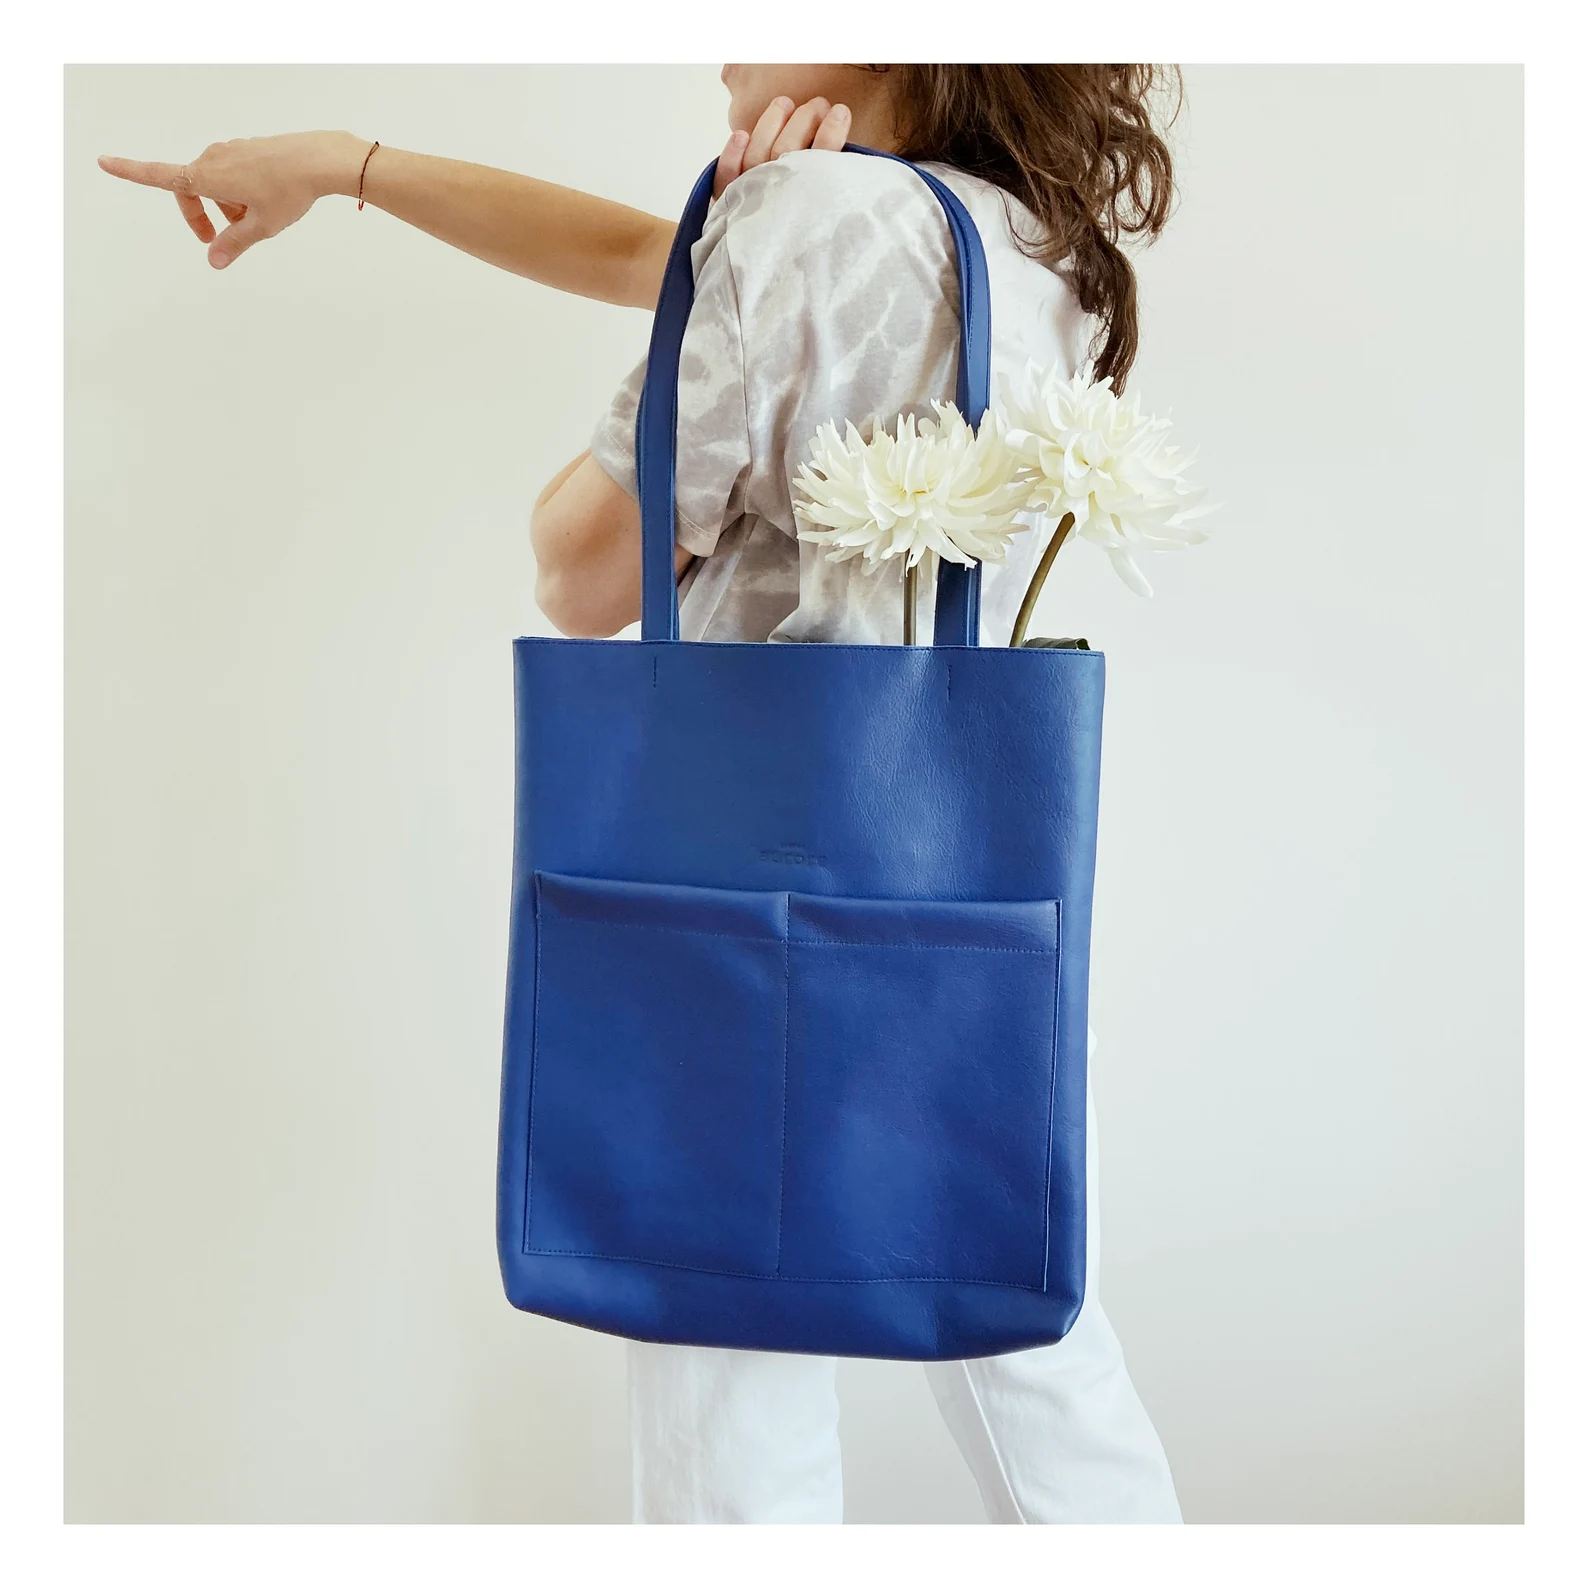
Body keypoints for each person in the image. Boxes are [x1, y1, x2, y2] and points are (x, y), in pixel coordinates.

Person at [100, 63, 1185, 1524]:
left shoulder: (806, 218)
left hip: (740, 891)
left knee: (725, 1384)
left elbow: (577, 572)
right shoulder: (1018, 234)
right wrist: (353, 165)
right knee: (1036, 1356)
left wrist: (737, 244)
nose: (720, 45)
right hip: (960, 908)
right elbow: (655, 258)